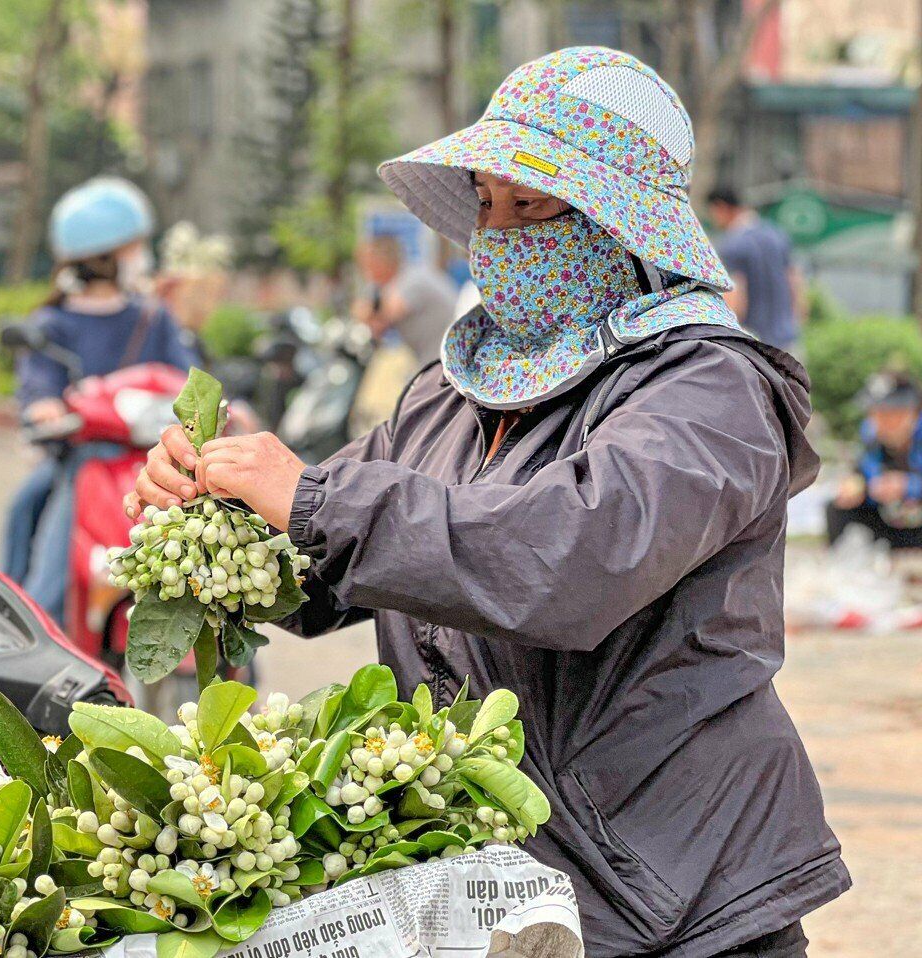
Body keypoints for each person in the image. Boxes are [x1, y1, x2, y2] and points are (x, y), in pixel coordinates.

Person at [127, 47, 846, 958]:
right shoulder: (451, 392)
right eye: (486, 201)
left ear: (616, 222)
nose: (499, 231)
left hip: (671, 887)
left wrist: (308, 495)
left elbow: (564, 560)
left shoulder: (712, 389)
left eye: (533, 205)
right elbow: (331, 568)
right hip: (500, 883)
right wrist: (220, 513)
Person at [3, 176, 198, 622]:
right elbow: (38, 383)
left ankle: (236, 667)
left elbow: (191, 378)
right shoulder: (52, 323)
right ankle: (22, 630)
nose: (142, 256)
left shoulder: (153, 317)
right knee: (39, 552)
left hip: (160, 464)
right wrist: (43, 405)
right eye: (134, 246)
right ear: (104, 257)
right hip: (83, 460)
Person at [827, 372, 922, 548]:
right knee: (836, 508)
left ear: (913, 413)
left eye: (890, 415)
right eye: (875, 414)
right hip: (890, 519)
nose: (881, 423)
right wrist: (858, 487)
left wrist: (907, 486)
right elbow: (863, 472)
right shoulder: (871, 436)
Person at [707, 185, 803, 351]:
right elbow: (795, 282)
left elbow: (736, 300)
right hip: (788, 341)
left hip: (756, 347)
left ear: (721, 207)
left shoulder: (733, 244)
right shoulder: (777, 234)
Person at [352, 234, 458, 363]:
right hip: (439, 359)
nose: (365, 273)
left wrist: (365, 311)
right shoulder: (403, 278)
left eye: (366, 265)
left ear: (380, 263)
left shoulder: (411, 280)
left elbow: (386, 314)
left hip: (448, 360)